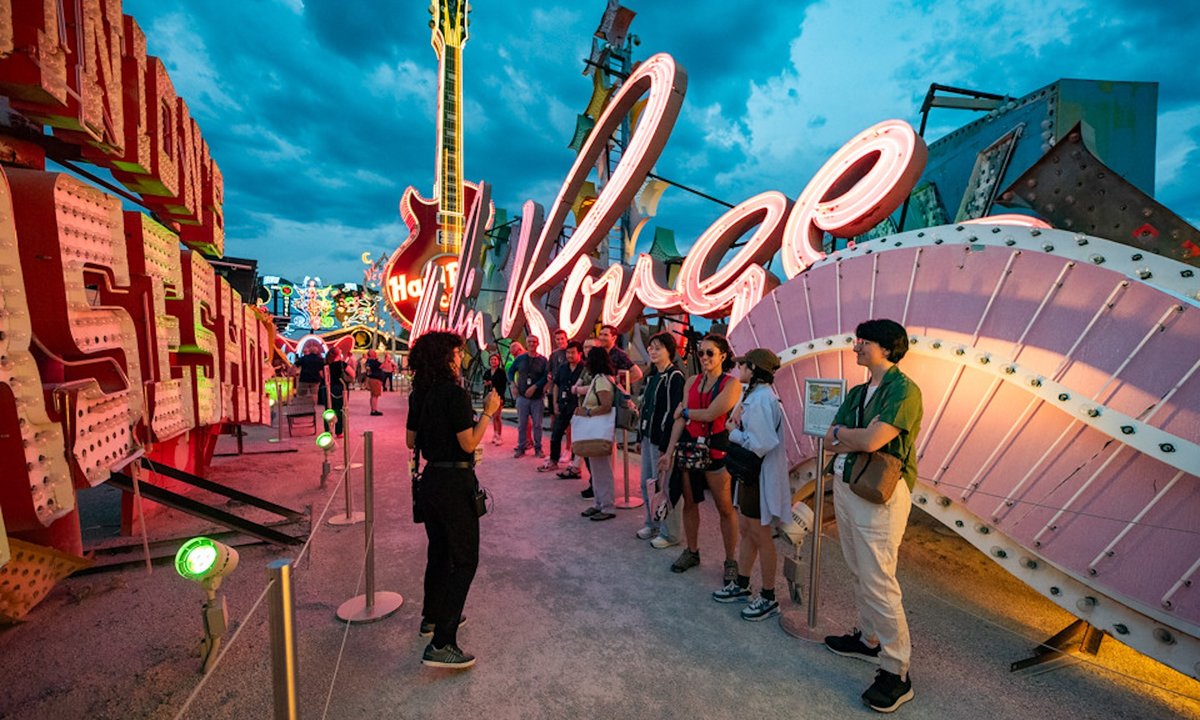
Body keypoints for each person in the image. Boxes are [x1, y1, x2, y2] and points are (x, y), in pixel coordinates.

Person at [822, 319, 923, 713]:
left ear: (884, 347)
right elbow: (828, 438)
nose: (855, 348)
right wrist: (849, 436)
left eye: (862, 342)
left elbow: (868, 440)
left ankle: (897, 671)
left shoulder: (904, 390)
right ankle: (868, 639)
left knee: (879, 578)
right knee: (859, 568)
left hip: (879, 494)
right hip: (849, 486)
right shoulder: (862, 390)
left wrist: (848, 435)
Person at [406, 331, 502, 670]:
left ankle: (432, 617)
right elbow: (468, 443)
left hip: (431, 481)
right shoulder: (455, 394)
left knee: (439, 553)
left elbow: (409, 439)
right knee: (465, 560)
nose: (461, 356)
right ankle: (442, 642)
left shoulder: (420, 393)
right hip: (454, 484)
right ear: (446, 357)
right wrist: (488, 413)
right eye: (458, 351)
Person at [712, 349, 788, 622]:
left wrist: (734, 432)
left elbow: (762, 443)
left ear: (753, 368)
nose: (737, 368)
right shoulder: (758, 396)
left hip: (757, 476)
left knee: (760, 534)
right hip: (753, 476)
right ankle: (742, 584)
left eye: (742, 365)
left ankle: (768, 596)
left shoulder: (759, 400)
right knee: (747, 529)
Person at [659, 334, 742, 578]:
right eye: (701, 352)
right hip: (690, 448)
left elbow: (709, 413)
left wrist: (683, 411)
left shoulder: (731, 384)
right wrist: (669, 451)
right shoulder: (691, 381)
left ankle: (730, 560)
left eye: (710, 353)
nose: (704, 357)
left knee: (724, 507)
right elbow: (681, 421)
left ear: (723, 356)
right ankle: (692, 551)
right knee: (689, 501)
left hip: (717, 449)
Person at [636, 332, 685, 546]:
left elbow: (674, 412)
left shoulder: (675, 377)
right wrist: (640, 435)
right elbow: (647, 408)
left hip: (662, 441)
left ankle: (669, 533)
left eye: (658, 348)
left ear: (669, 351)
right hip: (649, 436)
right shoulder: (654, 375)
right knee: (648, 483)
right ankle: (653, 522)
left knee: (663, 486)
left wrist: (668, 447)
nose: (653, 351)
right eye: (650, 348)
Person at [576, 346, 618, 521]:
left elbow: (606, 405)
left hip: (599, 429)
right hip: (597, 429)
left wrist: (587, 412)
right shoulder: (600, 378)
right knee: (597, 469)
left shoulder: (601, 380)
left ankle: (607, 505)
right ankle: (600, 503)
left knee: (603, 469)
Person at [541, 340, 584, 472]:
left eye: (572, 353)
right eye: (568, 353)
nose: (569, 355)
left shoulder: (584, 368)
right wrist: (554, 403)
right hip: (562, 405)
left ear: (580, 354)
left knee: (577, 436)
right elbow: (556, 385)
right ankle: (554, 460)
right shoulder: (562, 368)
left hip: (577, 406)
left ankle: (575, 463)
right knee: (556, 433)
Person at [507, 335, 549, 458]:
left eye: (534, 342)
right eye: (529, 342)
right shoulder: (520, 359)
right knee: (522, 424)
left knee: (537, 425)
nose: (531, 344)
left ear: (538, 344)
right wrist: (513, 385)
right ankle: (521, 447)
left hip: (537, 397)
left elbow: (545, 376)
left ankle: (538, 448)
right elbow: (510, 372)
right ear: (526, 344)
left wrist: (535, 387)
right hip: (522, 396)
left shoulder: (543, 360)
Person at [322, 346, 354, 437]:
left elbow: (322, 375)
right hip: (340, 388)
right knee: (340, 410)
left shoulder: (325, 364)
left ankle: (328, 431)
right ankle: (339, 431)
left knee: (328, 410)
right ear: (338, 354)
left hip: (327, 388)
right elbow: (352, 374)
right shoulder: (342, 364)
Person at [482, 353, 508, 445]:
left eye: (495, 359)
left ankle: (499, 435)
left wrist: (500, 397)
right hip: (489, 396)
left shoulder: (501, 372)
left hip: (498, 395)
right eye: (491, 360)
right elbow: (484, 380)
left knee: (497, 416)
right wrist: (486, 383)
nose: (493, 361)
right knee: (493, 416)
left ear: (498, 361)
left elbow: (503, 385)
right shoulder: (487, 372)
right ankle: (495, 434)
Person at [366, 349, 386, 416]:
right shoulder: (372, 361)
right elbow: (382, 366)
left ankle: (373, 409)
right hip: (375, 379)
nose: (375, 353)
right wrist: (386, 360)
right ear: (371, 354)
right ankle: (374, 410)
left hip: (373, 379)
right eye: (374, 352)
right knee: (375, 395)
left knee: (373, 395)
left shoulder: (369, 361)